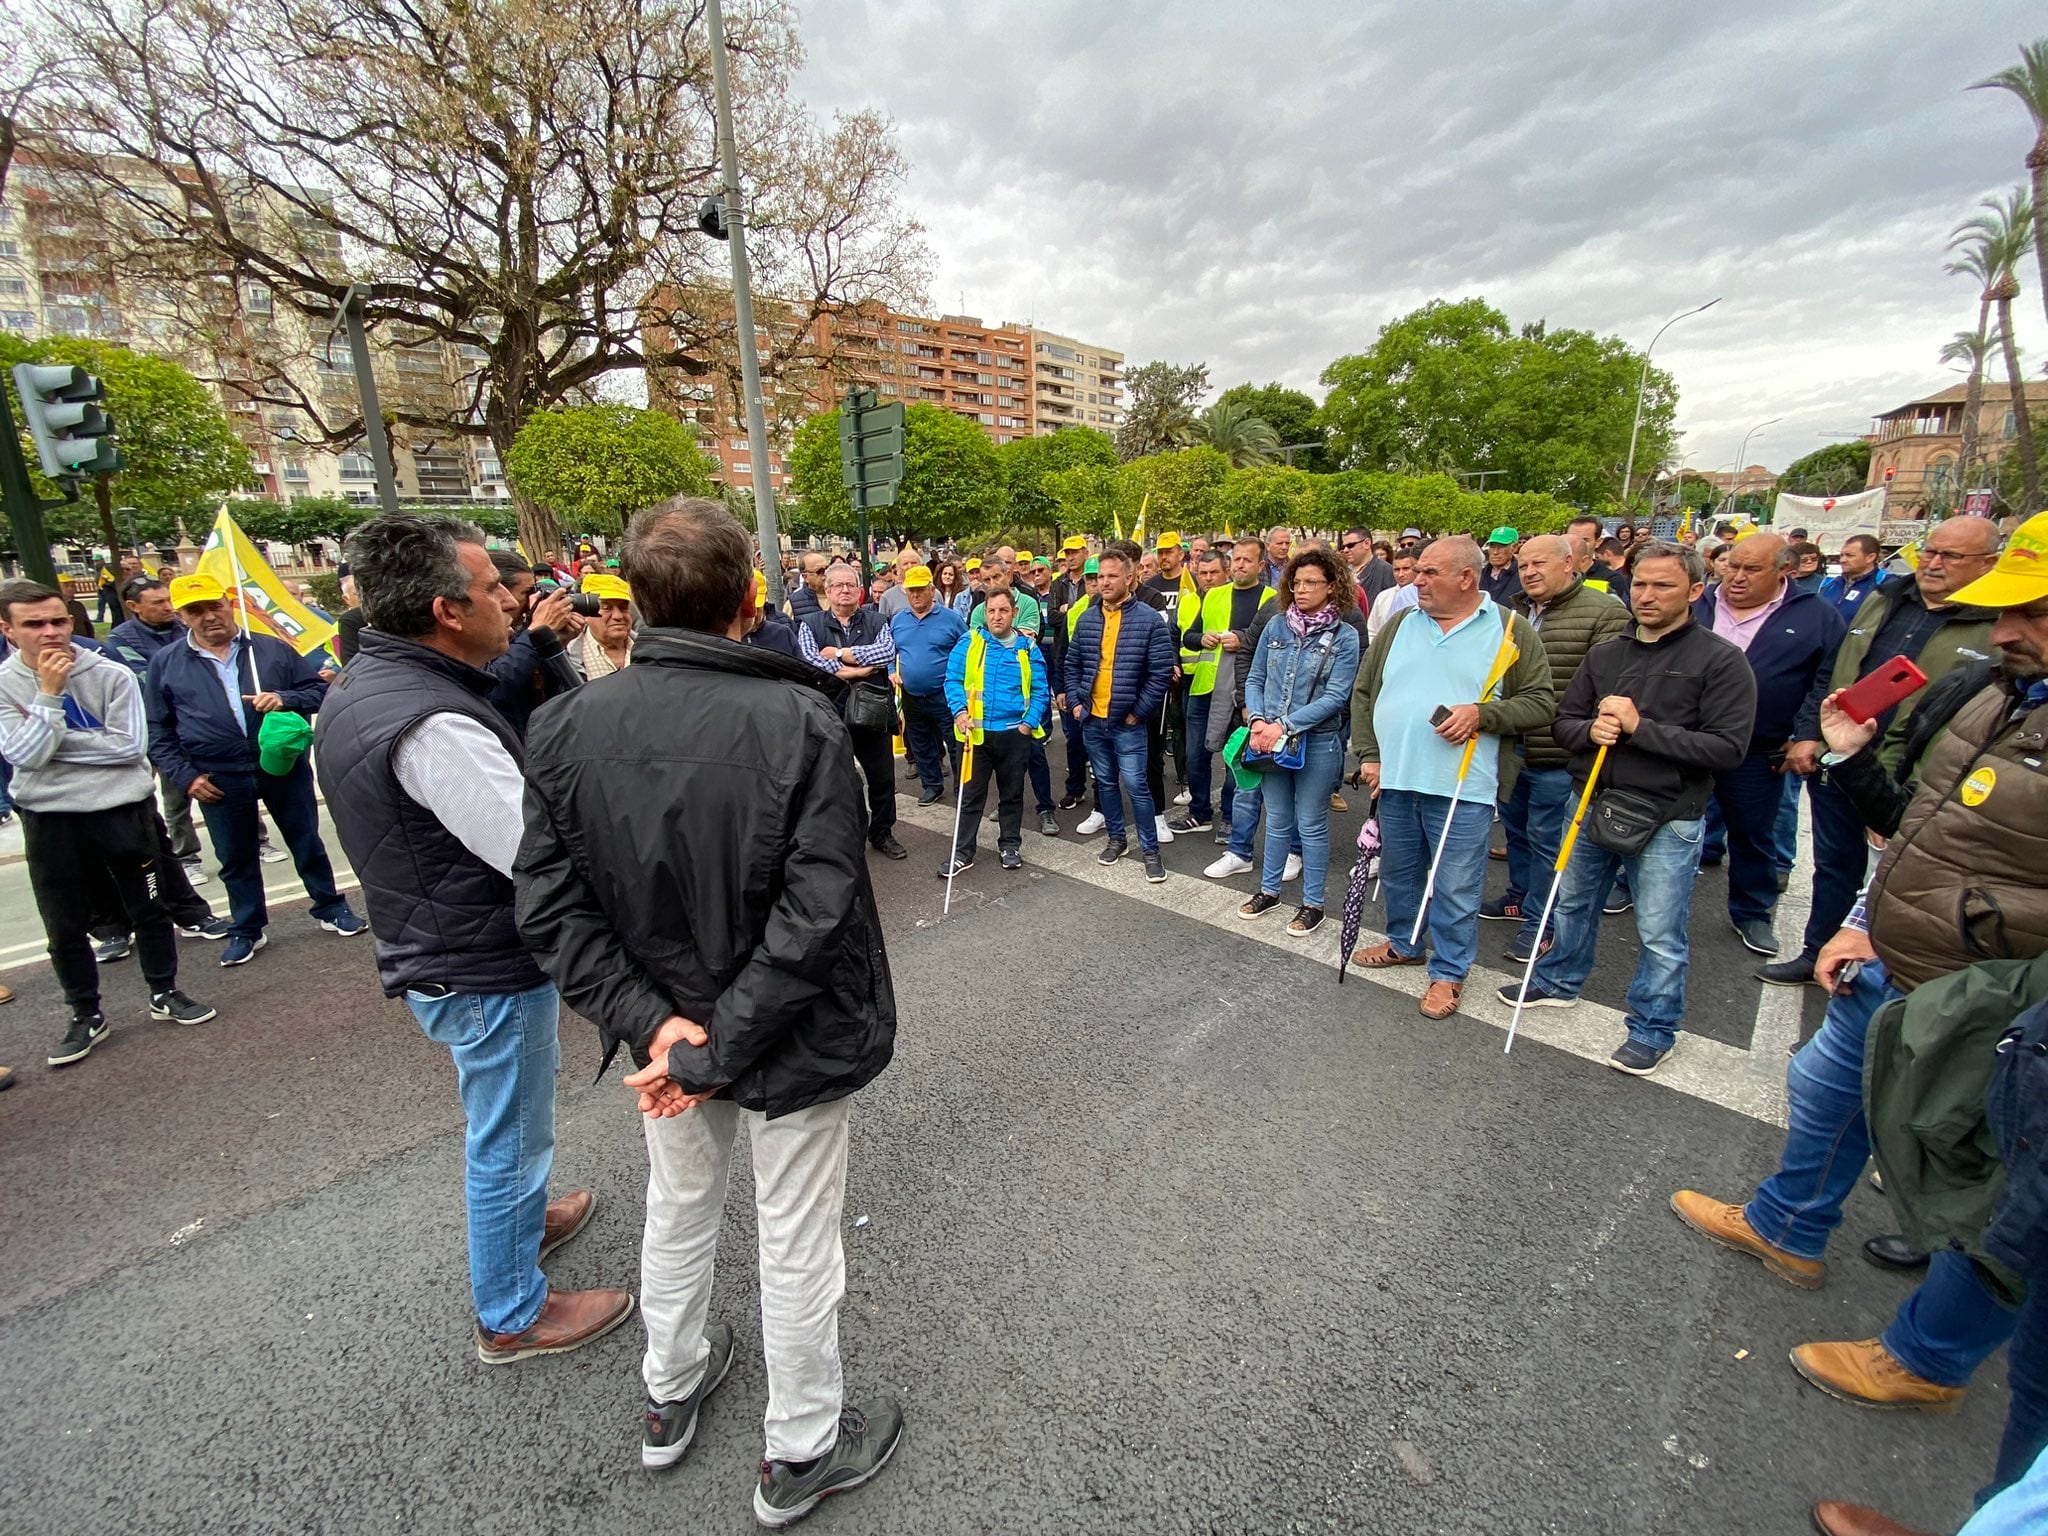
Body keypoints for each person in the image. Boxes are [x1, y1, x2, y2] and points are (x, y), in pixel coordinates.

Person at [513, 495, 902, 1519]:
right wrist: (701, 1041)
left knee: (680, 1211)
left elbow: (549, 908)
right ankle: (800, 1444)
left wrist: (661, 1029)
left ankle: (669, 1386)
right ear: (745, 602)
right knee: (793, 1234)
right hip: (772, 1034)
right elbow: (822, 908)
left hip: (672, 1035)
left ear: (632, 603)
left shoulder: (561, 725)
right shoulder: (796, 717)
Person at [1669, 509, 2048, 1423]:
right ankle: (1786, 1226)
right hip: (1897, 957)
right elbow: (1921, 821)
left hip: (1990, 997)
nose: (2002, 632)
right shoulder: (1997, 694)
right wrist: (1867, 916)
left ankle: (1929, 1356)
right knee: (1826, 1083)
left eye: (2031, 614)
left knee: (1982, 1180)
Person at [315, 514, 628, 1364]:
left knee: (512, 1124)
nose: (510, 601)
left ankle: (524, 1223)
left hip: (450, 942)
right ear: (447, 610)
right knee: (509, 1138)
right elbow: (530, 851)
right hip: (477, 962)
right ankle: (512, 1312)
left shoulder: (378, 679)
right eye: (492, 588)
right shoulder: (431, 722)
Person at [1496, 542, 1756, 1073]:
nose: (1647, 595)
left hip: (1666, 814)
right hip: (1589, 799)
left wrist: (1643, 730)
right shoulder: (1607, 655)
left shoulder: (1720, 660)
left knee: (1660, 930)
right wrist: (1590, 730)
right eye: (1640, 583)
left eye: (1663, 585)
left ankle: (1655, 1025)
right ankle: (1558, 980)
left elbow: (1727, 749)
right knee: (1572, 903)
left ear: (1695, 591)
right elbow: (1563, 722)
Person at [1758, 515, 2000, 986]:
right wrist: (1810, 731)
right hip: (1843, 758)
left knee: (1902, 879)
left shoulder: (1994, 624)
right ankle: (1819, 951)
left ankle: (1883, 976)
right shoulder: (1887, 597)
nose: (1933, 563)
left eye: (1951, 556)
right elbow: (1832, 670)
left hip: (1921, 779)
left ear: (1989, 563)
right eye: (1930, 550)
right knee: (1834, 864)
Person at [0, 579, 217, 1068]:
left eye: (59, 621)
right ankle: (85, 1013)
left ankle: (165, 992)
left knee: (150, 906)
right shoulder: (3, 685)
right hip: (50, 819)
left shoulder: (111, 674)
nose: (52, 633)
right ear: (8, 630)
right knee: (64, 923)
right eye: (35, 624)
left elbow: (127, 747)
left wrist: (50, 743)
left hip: (122, 813)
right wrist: (50, 696)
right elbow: (22, 757)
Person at [1348, 537, 1555, 1020]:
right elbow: (1365, 693)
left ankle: (1448, 972)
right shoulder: (1400, 623)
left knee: (1456, 883)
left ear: (1466, 577)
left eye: (1429, 573)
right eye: (1417, 571)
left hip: (1465, 786)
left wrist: (1483, 715)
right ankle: (1404, 943)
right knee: (1400, 871)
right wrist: (1371, 755)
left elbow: (1542, 702)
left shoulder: (1509, 629)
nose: (1416, 580)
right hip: (1396, 779)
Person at [145, 576, 365, 966]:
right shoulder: (167, 664)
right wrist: (186, 776)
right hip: (217, 775)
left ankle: (330, 906)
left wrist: (285, 697)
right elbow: (158, 728)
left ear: (230, 604)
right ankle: (247, 927)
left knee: (306, 839)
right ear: (182, 616)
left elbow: (320, 692)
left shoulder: (270, 650)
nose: (209, 616)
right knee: (235, 854)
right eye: (196, 610)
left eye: (215, 605)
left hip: (280, 764)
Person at [1694, 533, 1846, 957]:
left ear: (1785, 571)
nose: (1737, 577)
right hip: (1686, 740)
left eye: (1751, 569)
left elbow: (1826, 679)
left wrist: (1806, 734)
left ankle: (1751, 912)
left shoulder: (1817, 615)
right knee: (1659, 819)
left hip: (1758, 748)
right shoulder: (1700, 603)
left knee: (1752, 832)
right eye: (1732, 566)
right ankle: (1628, 886)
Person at [1483, 535, 1632, 963]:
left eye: (1539, 563)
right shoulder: (1512, 614)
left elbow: (1608, 687)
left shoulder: (1603, 612)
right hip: (1513, 749)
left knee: (1551, 843)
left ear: (1569, 563)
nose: (1529, 571)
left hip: (1561, 755)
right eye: (1524, 563)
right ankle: (1519, 897)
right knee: (1516, 834)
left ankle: (1541, 924)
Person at [1236, 550, 1361, 935]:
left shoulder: (1346, 635)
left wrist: (1284, 725)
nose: (1302, 589)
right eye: (1297, 582)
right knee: (1276, 820)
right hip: (1268, 740)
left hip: (1318, 742)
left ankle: (1313, 904)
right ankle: (1269, 891)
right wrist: (1257, 719)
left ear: (1332, 586)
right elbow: (1255, 678)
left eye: (1312, 582)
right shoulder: (1276, 627)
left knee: (1310, 824)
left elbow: (1336, 698)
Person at [1063, 541, 1175, 882]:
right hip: (1093, 720)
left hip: (1128, 722)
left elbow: (1160, 673)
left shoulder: (1149, 620)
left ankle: (1151, 851)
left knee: (1138, 786)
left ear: (1131, 577)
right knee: (1107, 783)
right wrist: (1078, 703)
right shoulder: (1086, 618)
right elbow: (1072, 663)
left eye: (1113, 576)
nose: (1105, 582)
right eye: (1100, 576)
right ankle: (1116, 839)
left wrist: (1138, 712)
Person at [799, 561, 905, 860]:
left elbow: (886, 652)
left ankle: (882, 833)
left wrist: (843, 655)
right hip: (831, 715)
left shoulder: (877, 620)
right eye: (838, 585)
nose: (845, 590)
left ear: (860, 590)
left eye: (850, 585)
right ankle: (848, 837)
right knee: (839, 783)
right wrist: (859, 671)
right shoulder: (809, 623)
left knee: (883, 780)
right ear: (827, 591)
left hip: (874, 715)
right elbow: (811, 663)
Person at [941, 587, 1049, 875]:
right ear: (984, 613)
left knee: (1011, 794)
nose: (997, 616)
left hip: (1014, 735)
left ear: (1014, 613)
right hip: (975, 735)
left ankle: (1010, 846)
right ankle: (963, 853)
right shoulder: (970, 641)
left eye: (1003, 610)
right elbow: (952, 679)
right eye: (991, 611)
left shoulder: (1028, 648)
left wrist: (1028, 724)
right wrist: (960, 712)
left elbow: (1039, 691)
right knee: (970, 796)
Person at [1195, 539, 1280, 871]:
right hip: (1209, 687)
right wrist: (1202, 638)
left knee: (1242, 765)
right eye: (1237, 559)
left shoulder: (1274, 601)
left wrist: (1242, 640)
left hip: (1253, 699)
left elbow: (1257, 651)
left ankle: (1236, 831)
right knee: (1202, 754)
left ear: (1261, 566)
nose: (1241, 565)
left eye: (1248, 560)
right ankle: (1210, 821)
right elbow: (1189, 634)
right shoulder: (1214, 595)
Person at [482, 550, 585, 736]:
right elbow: (493, 687)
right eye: (527, 593)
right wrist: (535, 633)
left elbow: (549, 696)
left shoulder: (518, 636)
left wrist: (554, 645)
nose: (533, 600)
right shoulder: (480, 638)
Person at [889, 565, 966, 806]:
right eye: (911, 591)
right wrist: (892, 671)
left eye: (921, 590)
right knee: (921, 745)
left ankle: (962, 788)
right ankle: (932, 786)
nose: (916, 595)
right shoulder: (898, 621)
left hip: (945, 694)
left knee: (955, 744)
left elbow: (967, 650)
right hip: (912, 695)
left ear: (932, 590)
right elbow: (890, 652)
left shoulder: (952, 619)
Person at [572, 573, 636, 678]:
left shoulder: (648, 650)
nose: (618, 616)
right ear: (586, 611)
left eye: (623, 607)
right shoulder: (571, 656)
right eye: (606, 607)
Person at [1819, 533, 1883, 622]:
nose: (1842, 560)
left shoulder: (1885, 583)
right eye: (1841, 555)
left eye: (1850, 555)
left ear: (1870, 557)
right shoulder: (1828, 583)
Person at [1365, 549, 1420, 640]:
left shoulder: (1423, 596)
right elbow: (1372, 630)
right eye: (1396, 570)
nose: (1400, 574)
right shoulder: (1383, 597)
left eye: (1406, 569)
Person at [1343, 527, 1395, 605]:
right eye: (1343, 547)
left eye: (1350, 545)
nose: (1345, 550)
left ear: (1367, 543)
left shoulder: (1385, 570)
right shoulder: (1342, 571)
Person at [1479, 527, 1522, 604]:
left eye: (1501, 546)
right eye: (1492, 546)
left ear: (1514, 548)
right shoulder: (1479, 575)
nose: (1495, 552)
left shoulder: (1522, 576)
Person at [786, 551, 828, 621]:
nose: (825, 574)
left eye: (827, 568)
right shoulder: (792, 604)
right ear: (805, 577)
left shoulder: (843, 595)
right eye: (820, 571)